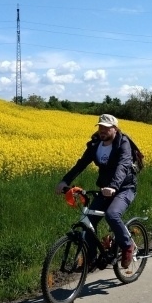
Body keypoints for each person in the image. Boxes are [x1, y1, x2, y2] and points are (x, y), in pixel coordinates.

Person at [55, 114, 137, 269]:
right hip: (106, 189)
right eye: (100, 127)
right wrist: (65, 181)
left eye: (106, 128)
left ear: (115, 129)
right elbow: (81, 164)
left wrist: (113, 186)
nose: (102, 130)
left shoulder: (123, 143)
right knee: (88, 221)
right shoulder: (95, 145)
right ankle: (91, 259)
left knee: (112, 215)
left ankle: (127, 246)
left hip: (125, 188)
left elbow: (123, 166)